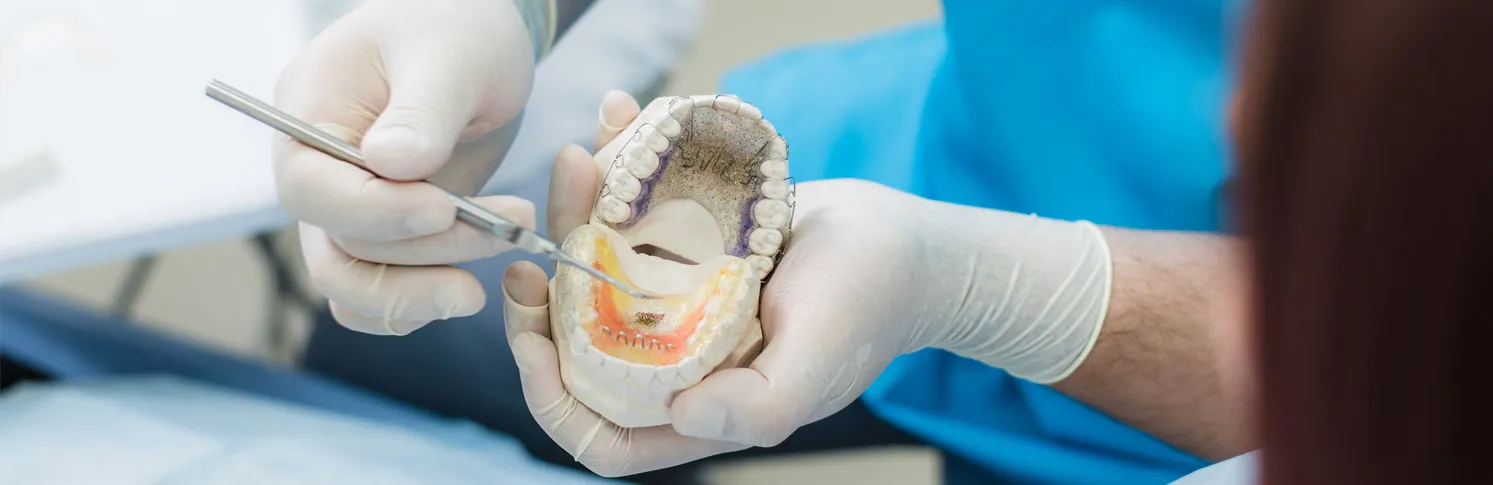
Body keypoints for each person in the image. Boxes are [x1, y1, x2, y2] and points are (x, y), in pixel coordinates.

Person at [274, 0, 1248, 482]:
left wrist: (986, 287)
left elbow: (1392, 383)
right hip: (998, 119)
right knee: (425, 343)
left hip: (1301, 386)